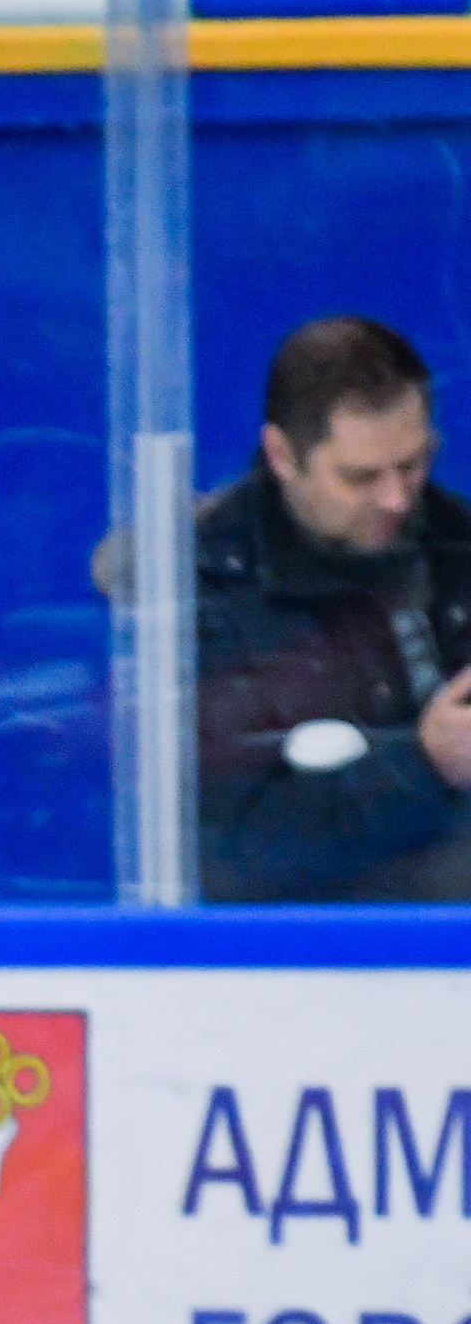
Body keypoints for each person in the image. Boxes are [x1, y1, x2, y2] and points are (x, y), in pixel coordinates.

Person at [193, 316, 471, 900]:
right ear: (282, 455)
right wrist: (423, 764)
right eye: (360, 477)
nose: (397, 498)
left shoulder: (458, 542)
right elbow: (233, 850)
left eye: (414, 464)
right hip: (316, 958)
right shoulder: (209, 592)